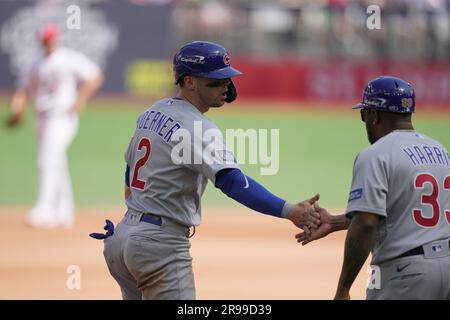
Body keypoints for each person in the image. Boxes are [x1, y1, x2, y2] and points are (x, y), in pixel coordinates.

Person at [92, 41, 321, 300]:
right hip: (158, 246)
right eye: (215, 81)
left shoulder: (150, 113)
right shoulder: (198, 127)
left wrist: (133, 221)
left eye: (227, 79)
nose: (225, 86)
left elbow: (129, 173)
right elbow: (232, 182)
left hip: (121, 240)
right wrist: (290, 210)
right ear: (189, 82)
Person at [296, 76, 450, 300]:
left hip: (406, 275)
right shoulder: (440, 151)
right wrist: (334, 222)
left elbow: (366, 223)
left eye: (363, 114)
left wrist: (343, 288)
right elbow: (401, 211)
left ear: (374, 115)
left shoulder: (376, 155)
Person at [7, 24, 104, 228]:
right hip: (41, 117)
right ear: (41, 41)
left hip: (62, 117)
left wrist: (81, 98)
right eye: (45, 39)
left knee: (47, 160)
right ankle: (64, 212)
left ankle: (44, 210)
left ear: (56, 39)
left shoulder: (67, 58)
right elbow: (24, 89)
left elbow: (95, 75)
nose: (48, 42)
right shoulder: (37, 64)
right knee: (56, 162)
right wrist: (18, 108)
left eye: (50, 38)